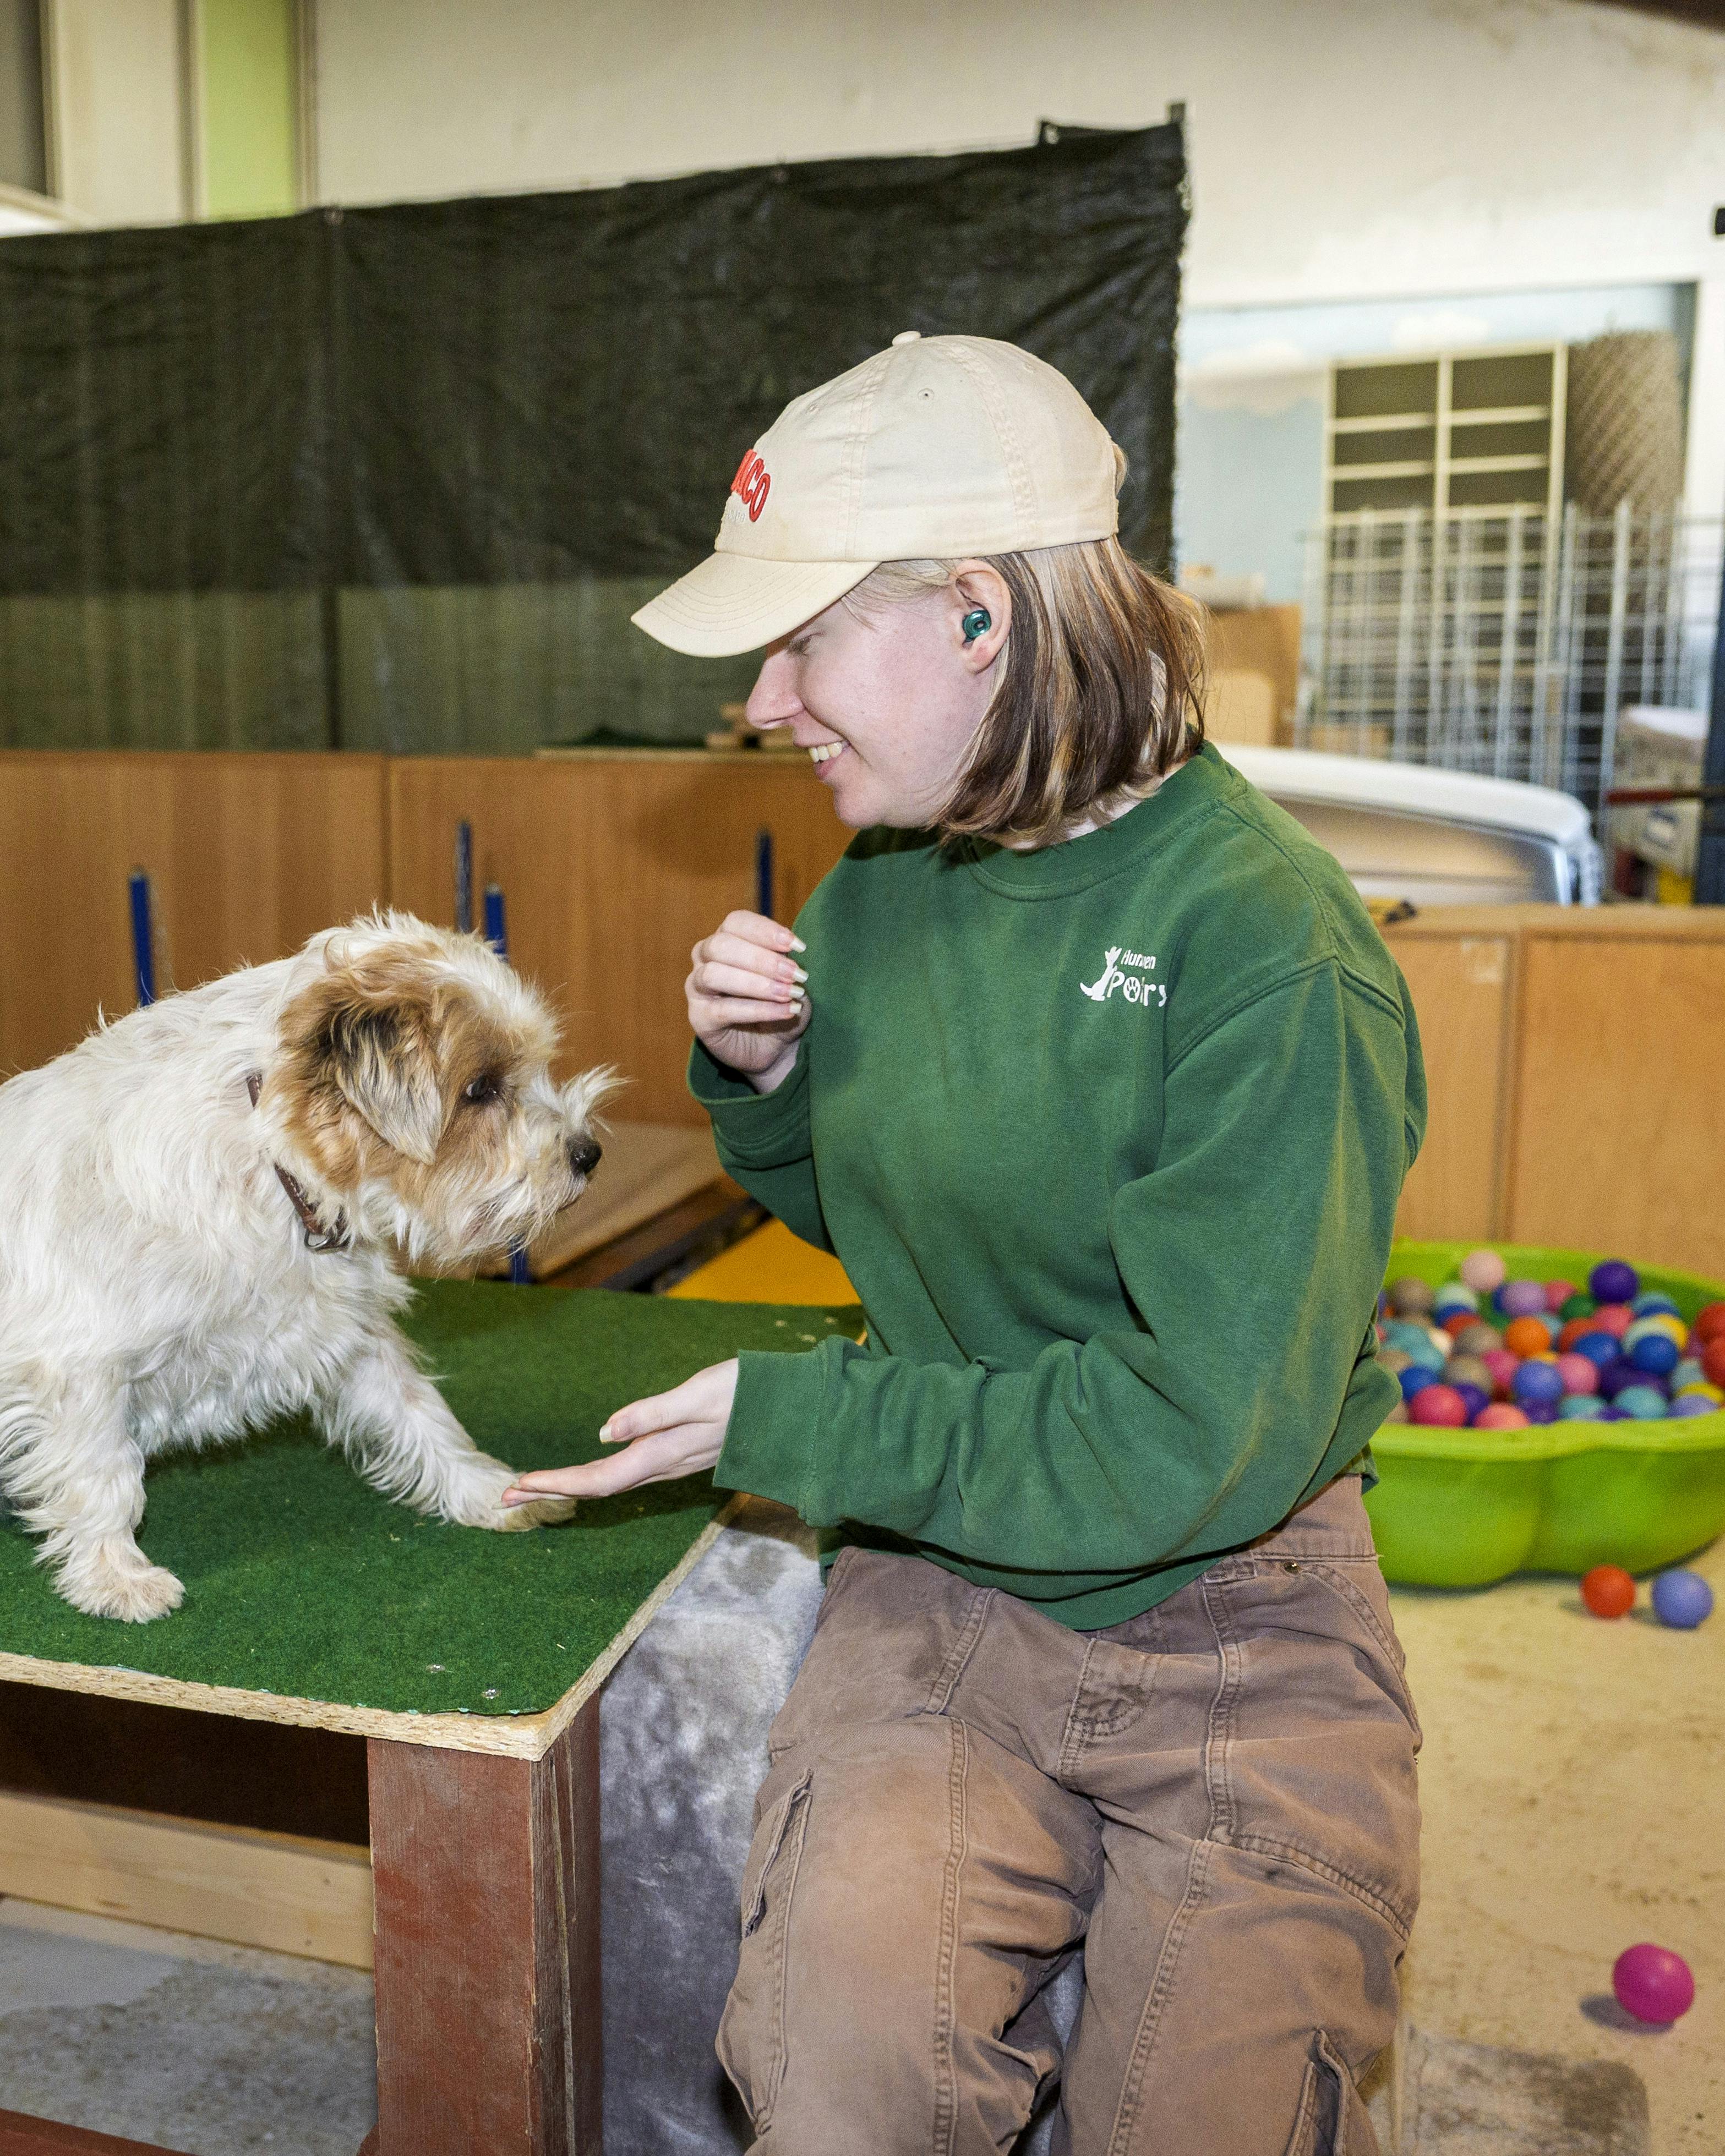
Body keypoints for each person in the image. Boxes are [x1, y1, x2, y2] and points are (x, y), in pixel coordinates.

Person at [506, 332, 1425, 2155]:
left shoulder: (1273, 951)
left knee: (1206, 2117)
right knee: (845, 2070)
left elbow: (1190, 1436)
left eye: (804, 640)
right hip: (945, 1576)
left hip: (1238, 1593)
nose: (764, 702)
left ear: (982, 621)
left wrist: (812, 1426)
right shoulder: (891, 877)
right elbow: (901, 1220)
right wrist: (767, 1084)